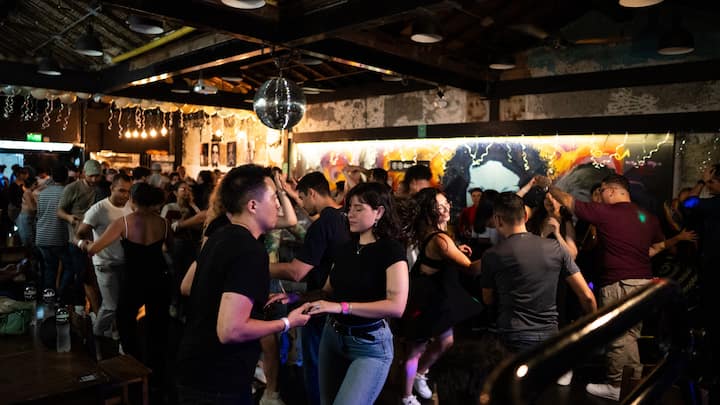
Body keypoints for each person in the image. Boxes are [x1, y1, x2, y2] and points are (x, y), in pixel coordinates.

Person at [538, 173, 695, 401]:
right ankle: (631, 383)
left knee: (619, 337)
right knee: (631, 336)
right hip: (643, 284)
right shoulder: (648, 217)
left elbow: (570, 201)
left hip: (620, 283)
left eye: (602, 191)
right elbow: (652, 249)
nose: (600, 196)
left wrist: (549, 187)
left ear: (611, 190)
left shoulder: (606, 212)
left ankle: (617, 385)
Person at [176, 165, 311, 404]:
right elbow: (231, 330)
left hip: (198, 369)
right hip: (219, 380)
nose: (278, 205)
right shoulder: (249, 250)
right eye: (274, 198)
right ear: (252, 205)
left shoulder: (220, 236)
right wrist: (287, 322)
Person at [270, 182, 409, 405]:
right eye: (349, 208)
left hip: (369, 344)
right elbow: (327, 292)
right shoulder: (346, 249)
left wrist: (341, 307)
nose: (350, 214)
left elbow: (396, 306)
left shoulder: (391, 250)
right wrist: (296, 298)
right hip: (333, 337)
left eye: (358, 208)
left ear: (379, 212)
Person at [480, 192, 596, 384]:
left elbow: (487, 299)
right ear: (525, 216)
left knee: (513, 389)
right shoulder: (556, 249)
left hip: (511, 334)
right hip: (549, 335)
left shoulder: (492, 255)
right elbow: (587, 296)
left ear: (498, 220)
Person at [78, 183, 173, 392]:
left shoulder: (124, 222)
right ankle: (156, 373)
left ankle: (134, 365)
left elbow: (94, 248)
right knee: (158, 326)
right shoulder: (163, 222)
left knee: (125, 320)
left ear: (133, 200)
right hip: (159, 278)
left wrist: (81, 244)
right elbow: (169, 248)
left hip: (135, 279)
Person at [269, 171, 351, 405]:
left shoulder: (322, 225)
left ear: (312, 193)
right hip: (342, 304)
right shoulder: (345, 217)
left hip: (319, 305)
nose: (302, 204)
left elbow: (297, 271)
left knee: (316, 367)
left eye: (303, 198)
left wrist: (256, 265)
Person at [399, 188, 482, 405]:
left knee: (446, 341)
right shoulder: (440, 239)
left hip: (437, 298)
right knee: (415, 350)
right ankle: (406, 397)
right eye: (440, 206)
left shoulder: (437, 234)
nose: (446, 208)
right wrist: (498, 254)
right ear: (429, 211)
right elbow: (470, 268)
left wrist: (455, 249)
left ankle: (419, 374)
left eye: (446, 203)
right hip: (423, 301)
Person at [75, 173, 132, 340]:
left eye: (128, 191)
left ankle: (116, 333)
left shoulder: (129, 206)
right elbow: (78, 234)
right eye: (121, 190)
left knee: (122, 304)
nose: (125, 195)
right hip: (105, 263)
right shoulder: (98, 209)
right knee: (110, 306)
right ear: (112, 188)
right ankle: (96, 336)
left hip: (124, 263)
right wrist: (84, 244)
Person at [57, 159, 102, 309]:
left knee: (88, 274)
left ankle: (81, 304)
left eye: (97, 176)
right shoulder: (72, 188)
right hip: (75, 237)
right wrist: (70, 217)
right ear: (83, 173)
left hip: (94, 238)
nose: (94, 179)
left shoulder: (100, 189)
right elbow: (59, 211)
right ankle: (72, 302)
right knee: (80, 272)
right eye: (91, 176)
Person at [35, 166, 70, 296]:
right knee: (70, 266)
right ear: (66, 177)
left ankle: (49, 297)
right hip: (58, 236)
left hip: (42, 236)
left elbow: (39, 214)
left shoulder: (43, 193)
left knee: (49, 268)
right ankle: (61, 294)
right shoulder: (67, 192)